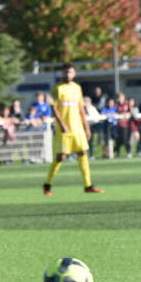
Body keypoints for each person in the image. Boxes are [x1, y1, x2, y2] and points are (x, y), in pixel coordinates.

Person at [43, 62, 101, 195]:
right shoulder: (57, 88)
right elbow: (54, 108)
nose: (67, 74)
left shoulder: (77, 88)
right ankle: (47, 184)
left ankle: (88, 185)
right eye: (65, 72)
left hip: (78, 128)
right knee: (61, 156)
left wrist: (86, 127)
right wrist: (62, 124)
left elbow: (81, 109)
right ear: (62, 73)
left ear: (74, 73)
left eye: (70, 72)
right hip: (64, 129)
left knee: (83, 153)